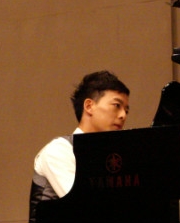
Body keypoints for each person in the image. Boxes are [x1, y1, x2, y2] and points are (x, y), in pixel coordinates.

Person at [28, 70, 130, 222]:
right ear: (89, 106)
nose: (123, 115)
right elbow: (84, 208)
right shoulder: (59, 151)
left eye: (126, 110)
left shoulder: (110, 159)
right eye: (117, 105)